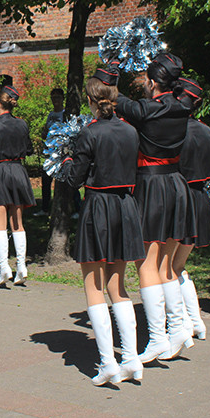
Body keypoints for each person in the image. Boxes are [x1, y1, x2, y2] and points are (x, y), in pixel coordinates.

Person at [113, 53, 194, 363]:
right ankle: (178, 329)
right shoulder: (182, 106)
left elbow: (117, 100)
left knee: (146, 264)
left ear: (152, 81)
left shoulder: (147, 109)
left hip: (152, 185)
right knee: (165, 266)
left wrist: (113, 71)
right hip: (176, 184)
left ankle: (159, 337)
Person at [65, 68, 144, 386]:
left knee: (93, 287)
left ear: (90, 100)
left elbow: (74, 179)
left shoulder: (89, 132)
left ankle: (108, 362)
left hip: (98, 207)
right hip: (125, 206)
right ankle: (132, 358)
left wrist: (66, 161)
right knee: (118, 286)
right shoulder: (130, 131)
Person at [0, 83, 34, 286]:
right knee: (17, 222)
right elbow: (28, 148)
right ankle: (21, 266)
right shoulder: (22, 124)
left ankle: (4, 268)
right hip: (18, 171)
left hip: (0, 171)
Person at [175, 78, 210, 340]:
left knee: (168, 267)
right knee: (177, 266)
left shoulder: (175, 130)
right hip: (199, 198)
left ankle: (183, 323)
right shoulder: (207, 130)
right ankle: (195, 319)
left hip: (179, 199)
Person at [35, 88, 66, 216]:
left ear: (63, 99)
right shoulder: (51, 114)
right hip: (50, 152)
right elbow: (46, 130)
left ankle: (74, 209)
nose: (55, 100)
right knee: (46, 180)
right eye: (53, 98)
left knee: (65, 181)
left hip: (62, 152)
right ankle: (45, 208)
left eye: (58, 97)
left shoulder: (65, 114)